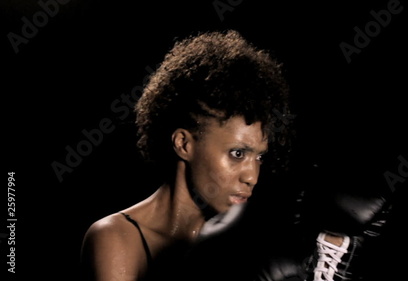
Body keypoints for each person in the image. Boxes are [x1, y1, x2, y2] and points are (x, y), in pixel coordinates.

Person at [79, 29, 294, 281]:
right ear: (184, 144)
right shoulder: (116, 237)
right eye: (237, 153)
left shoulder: (243, 247)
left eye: (259, 157)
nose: (252, 177)